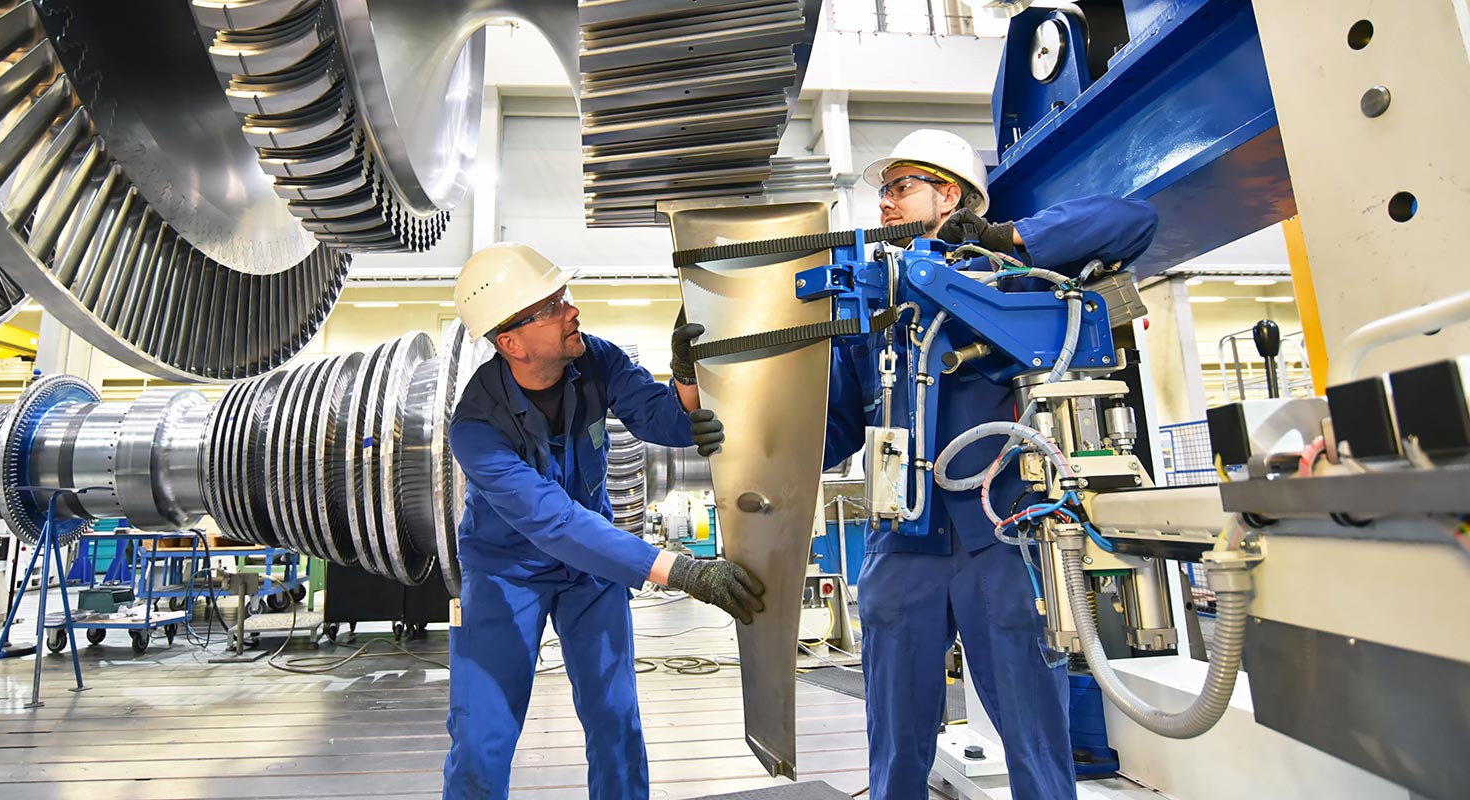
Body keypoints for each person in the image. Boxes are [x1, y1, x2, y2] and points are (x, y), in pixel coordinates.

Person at [825, 130, 1159, 799]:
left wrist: (1011, 241)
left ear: (949, 194)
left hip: (1001, 537)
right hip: (900, 542)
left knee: (1037, 739)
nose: (884, 204)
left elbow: (1135, 220)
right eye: (883, 192)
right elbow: (832, 436)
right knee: (893, 747)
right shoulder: (871, 309)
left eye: (900, 187)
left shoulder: (1014, 281)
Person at [443, 242, 766, 800]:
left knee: (616, 720)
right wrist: (681, 571)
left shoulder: (594, 358)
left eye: (563, 296)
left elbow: (657, 416)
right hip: (506, 574)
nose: (571, 310)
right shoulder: (475, 426)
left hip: (588, 574)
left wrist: (688, 380)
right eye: (550, 306)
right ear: (510, 342)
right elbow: (554, 523)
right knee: (481, 738)